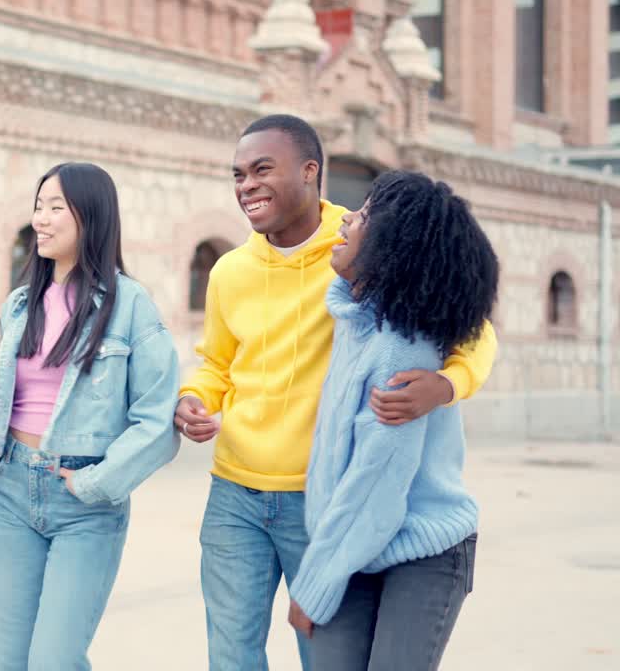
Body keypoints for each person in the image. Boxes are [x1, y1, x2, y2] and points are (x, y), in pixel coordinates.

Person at [174, 114, 498, 670]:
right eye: (238, 174)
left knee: (323, 655)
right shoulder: (229, 271)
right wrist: (197, 399)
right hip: (235, 493)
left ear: (309, 171)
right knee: (230, 654)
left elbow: (470, 330)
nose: (246, 184)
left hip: (320, 499)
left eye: (261, 169)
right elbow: (217, 364)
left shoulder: (362, 247)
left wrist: (447, 385)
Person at [286, 170, 496, 670]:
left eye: (362, 216)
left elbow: (374, 482)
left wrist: (315, 580)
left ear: (395, 245)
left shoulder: (401, 347)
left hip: (423, 548)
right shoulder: (357, 321)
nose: (345, 221)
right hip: (355, 544)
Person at [0, 162, 181, 670]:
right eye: (38, 206)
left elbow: (157, 418)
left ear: (89, 216)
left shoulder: (131, 304)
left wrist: (99, 482)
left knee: (54, 661)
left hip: (83, 500)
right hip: (9, 491)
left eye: (55, 207)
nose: (40, 219)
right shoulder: (19, 303)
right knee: (12, 661)